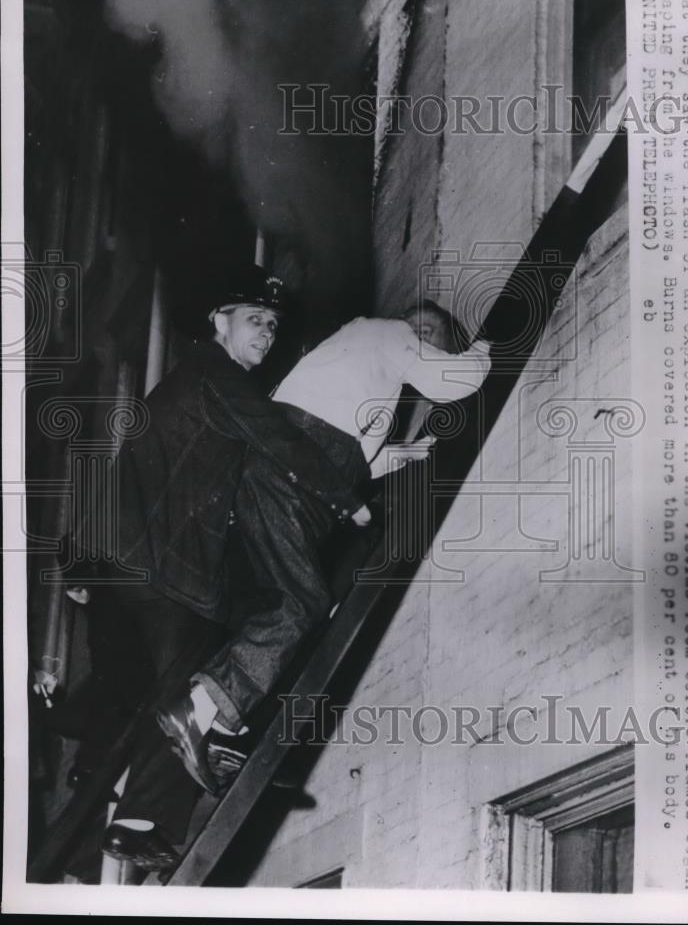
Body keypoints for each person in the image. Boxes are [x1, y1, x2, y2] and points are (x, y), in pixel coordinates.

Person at [72, 266, 372, 872]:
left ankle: (136, 822)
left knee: (180, 692)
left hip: (141, 569)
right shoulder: (216, 376)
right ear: (220, 322)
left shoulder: (194, 381)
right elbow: (279, 442)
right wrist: (350, 500)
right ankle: (225, 738)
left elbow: (126, 464)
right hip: (156, 570)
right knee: (274, 619)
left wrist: (77, 555)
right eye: (255, 320)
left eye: (273, 325)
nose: (266, 333)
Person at [156, 299, 492, 807]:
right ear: (421, 330)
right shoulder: (386, 333)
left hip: (293, 480)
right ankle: (201, 706)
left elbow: (356, 457)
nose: (430, 354)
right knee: (303, 603)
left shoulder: (360, 363)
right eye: (435, 342)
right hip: (289, 482)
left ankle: (219, 725)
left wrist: (408, 453)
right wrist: (489, 349)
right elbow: (456, 383)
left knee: (288, 606)